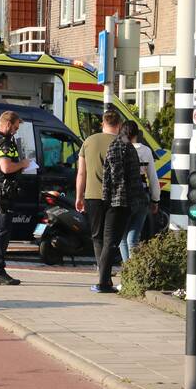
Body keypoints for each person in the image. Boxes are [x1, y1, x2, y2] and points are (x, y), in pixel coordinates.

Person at [75, 109, 122, 293]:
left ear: (103, 123)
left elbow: (81, 173)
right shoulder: (122, 142)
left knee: (97, 237)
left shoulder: (88, 141)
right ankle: (105, 278)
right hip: (115, 197)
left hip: (92, 195)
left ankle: (103, 277)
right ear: (118, 125)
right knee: (111, 238)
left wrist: (79, 196)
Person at [0, 110, 30, 286]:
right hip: (3, 191)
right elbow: (6, 167)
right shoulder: (4, 142)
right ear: (8, 124)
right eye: (16, 128)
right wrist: (23, 164)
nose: (16, 131)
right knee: (2, 231)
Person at [118, 121, 160, 262]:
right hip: (141, 195)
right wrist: (155, 199)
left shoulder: (118, 149)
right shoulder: (145, 151)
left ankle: (127, 273)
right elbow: (153, 177)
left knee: (122, 237)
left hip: (123, 196)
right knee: (134, 237)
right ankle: (135, 271)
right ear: (137, 134)